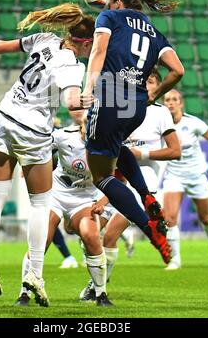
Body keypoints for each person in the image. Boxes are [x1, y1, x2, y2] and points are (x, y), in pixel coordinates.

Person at [0, 4, 95, 307]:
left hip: (3, 117)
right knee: (41, 204)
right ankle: (35, 275)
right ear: (84, 42)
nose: (91, 50)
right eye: (91, 44)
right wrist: (85, 113)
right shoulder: (72, 65)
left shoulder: (43, 39)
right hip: (31, 130)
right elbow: (72, 103)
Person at [81, 0, 184, 264]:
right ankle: (146, 195)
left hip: (111, 98)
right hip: (137, 106)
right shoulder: (153, 30)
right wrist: (154, 94)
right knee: (117, 148)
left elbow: (99, 52)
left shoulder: (110, 18)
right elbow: (178, 70)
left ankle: (148, 228)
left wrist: (88, 88)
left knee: (101, 176)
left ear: (115, 1)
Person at [80, 67, 181, 299]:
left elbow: (175, 151)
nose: (147, 85)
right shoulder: (127, 109)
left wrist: (142, 154)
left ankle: (97, 288)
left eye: (152, 82)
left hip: (145, 181)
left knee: (110, 236)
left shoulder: (160, 113)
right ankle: (98, 282)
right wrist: (105, 197)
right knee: (89, 233)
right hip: (119, 181)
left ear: (158, 87)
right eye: (144, 81)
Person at [17, 115, 114, 307]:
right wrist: (28, 165)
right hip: (57, 193)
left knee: (91, 235)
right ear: (82, 124)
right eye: (87, 123)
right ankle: (24, 293)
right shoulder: (63, 136)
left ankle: (100, 294)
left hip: (86, 198)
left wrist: (102, 201)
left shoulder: (110, 143)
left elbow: (118, 180)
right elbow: (37, 148)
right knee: (42, 237)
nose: (90, 128)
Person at [162, 89, 208, 270]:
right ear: (163, 103)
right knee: (169, 218)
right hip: (174, 175)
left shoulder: (192, 123)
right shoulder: (160, 124)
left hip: (196, 176)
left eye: (174, 99)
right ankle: (175, 259)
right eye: (167, 99)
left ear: (181, 103)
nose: (170, 102)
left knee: (206, 218)